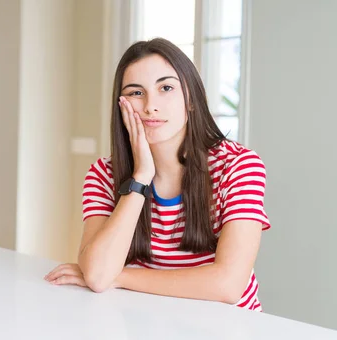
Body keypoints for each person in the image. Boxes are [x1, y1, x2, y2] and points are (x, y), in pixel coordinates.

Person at [44, 38, 271, 311]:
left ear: (191, 99)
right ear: (121, 104)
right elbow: (97, 273)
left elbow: (228, 285)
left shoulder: (239, 165)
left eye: (166, 88)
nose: (151, 106)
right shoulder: (103, 174)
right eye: (136, 93)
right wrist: (140, 178)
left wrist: (120, 276)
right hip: (147, 321)